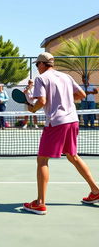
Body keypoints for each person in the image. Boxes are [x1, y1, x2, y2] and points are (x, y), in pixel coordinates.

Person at [23, 52, 99, 215]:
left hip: (56, 123)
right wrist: (62, 98)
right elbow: (81, 95)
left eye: (37, 65)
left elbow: (41, 101)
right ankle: (95, 190)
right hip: (72, 120)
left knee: (42, 160)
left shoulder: (41, 79)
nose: (37, 68)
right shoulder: (65, 77)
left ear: (43, 64)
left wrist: (32, 108)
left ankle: (40, 203)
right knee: (73, 156)